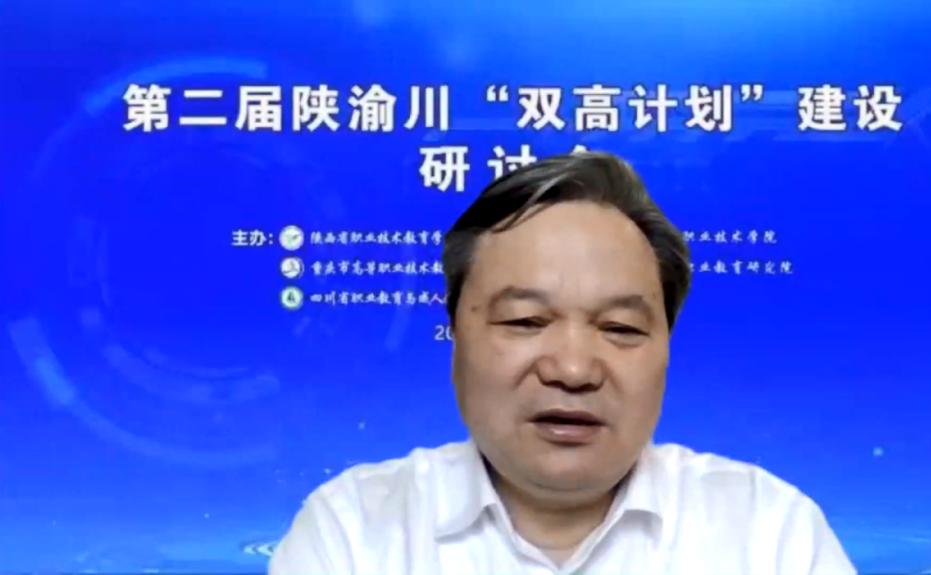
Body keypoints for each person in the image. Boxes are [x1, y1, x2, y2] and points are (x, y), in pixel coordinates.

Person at [269, 151, 856, 575]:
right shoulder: (353, 533)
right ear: (456, 338)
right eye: (526, 321)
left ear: (667, 349)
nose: (573, 370)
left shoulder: (769, 533)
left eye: (620, 328)